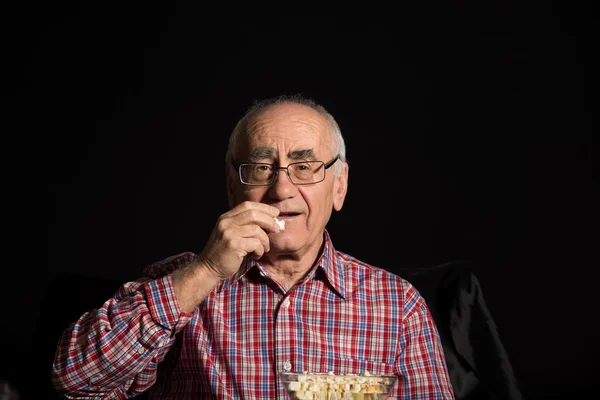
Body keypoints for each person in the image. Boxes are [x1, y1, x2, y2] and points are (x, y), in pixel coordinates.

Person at [51, 94, 455, 399]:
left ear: (340, 185)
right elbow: (74, 382)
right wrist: (206, 272)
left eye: (305, 167)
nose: (281, 189)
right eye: (262, 168)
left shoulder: (399, 307)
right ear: (232, 186)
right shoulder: (182, 282)